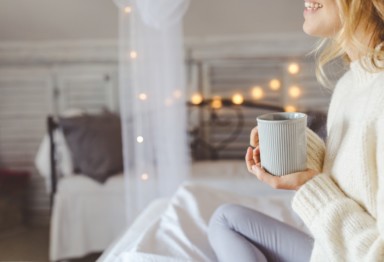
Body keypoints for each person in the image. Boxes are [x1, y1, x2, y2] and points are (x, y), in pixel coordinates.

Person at [208, 0, 384, 261]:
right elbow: (352, 178)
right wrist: (301, 149)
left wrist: (310, 187)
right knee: (225, 219)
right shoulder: (350, 84)